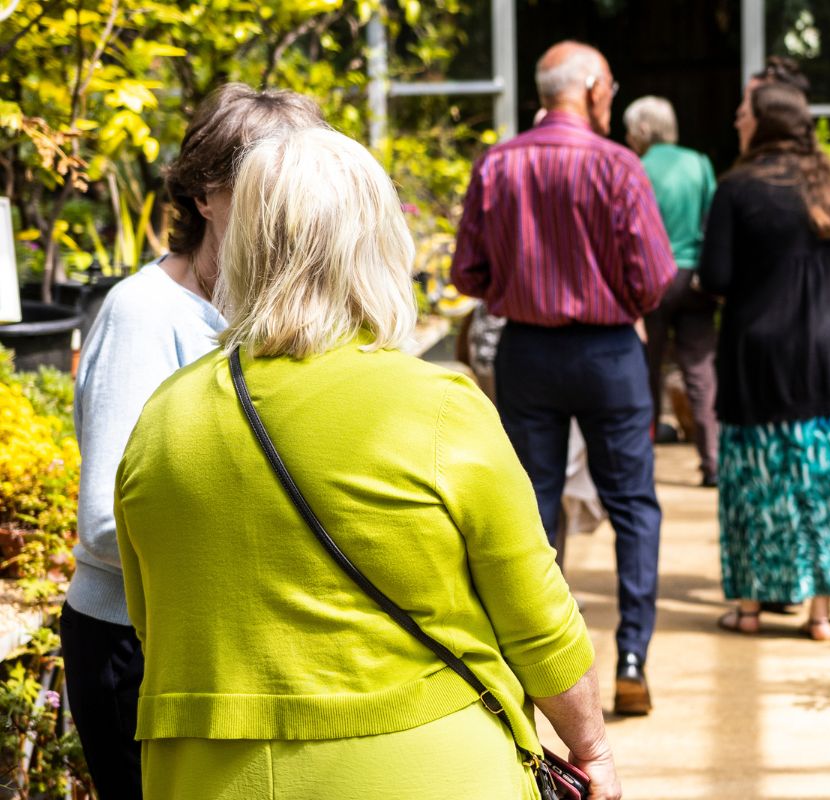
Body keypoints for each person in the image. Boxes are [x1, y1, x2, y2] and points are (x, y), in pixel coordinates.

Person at [114, 127, 621, 800]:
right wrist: (593, 750)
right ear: (378, 247)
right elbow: (537, 622)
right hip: (419, 768)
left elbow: (154, 622)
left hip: (203, 776)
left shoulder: (162, 419)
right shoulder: (435, 408)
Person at [62, 83, 326, 798]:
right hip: (138, 648)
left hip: (226, 643)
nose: (289, 206)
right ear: (205, 196)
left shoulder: (277, 312)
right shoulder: (145, 315)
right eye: (264, 187)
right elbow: (105, 524)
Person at [450, 40, 675, 716]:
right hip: (609, 354)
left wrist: (517, 287)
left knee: (532, 508)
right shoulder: (618, 166)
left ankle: (535, 662)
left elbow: (468, 272)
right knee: (633, 504)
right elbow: (655, 278)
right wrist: (619, 301)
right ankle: (632, 656)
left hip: (529, 354)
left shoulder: (498, 164)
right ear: (596, 88)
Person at [699, 82, 830, 641]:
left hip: (757, 351)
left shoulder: (736, 188)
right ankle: (820, 615)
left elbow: (714, 277)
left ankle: (747, 608)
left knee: (754, 478)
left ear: (763, 124)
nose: (737, 122)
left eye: (744, 115)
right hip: (828, 350)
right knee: (827, 477)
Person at [624, 95, 719, 487]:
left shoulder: (633, 168)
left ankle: (641, 466)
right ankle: (712, 461)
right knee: (700, 370)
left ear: (643, 130)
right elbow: (713, 223)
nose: (628, 138)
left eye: (630, 130)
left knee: (644, 369)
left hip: (650, 280)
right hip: (694, 279)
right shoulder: (698, 163)